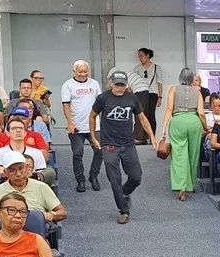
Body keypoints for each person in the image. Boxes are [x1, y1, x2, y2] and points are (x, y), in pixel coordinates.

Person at [88, 70, 157, 223]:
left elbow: (142, 118)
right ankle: (124, 211)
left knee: (136, 177)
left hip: (128, 144)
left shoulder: (132, 98)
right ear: (111, 84)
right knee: (115, 179)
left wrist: (152, 136)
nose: (120, 88)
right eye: (117, 85)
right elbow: (92, 116)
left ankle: (124, 193)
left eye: (122, 85)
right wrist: (93, 137)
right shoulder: (103, 98)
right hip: (109, 144)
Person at [159, 68, 207, 202]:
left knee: (178, 154)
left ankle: (180, 185)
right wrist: (205, 127)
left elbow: (169, 108)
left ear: (180, 77)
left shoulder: (173, 89)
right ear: (192, 79)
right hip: (194, 122)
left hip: (178, 121)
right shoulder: (198, 92)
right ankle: (189, 185)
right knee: (193, 154)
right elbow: (201, 113)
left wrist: (163, 127)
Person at [0, 155, 67, 224]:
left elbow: (62, 212)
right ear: (5, 173)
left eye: (21, 168)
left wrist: (51, 215)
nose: (18, 174)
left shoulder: (41, 187)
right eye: (12, 170)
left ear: (26, 168)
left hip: (36, 232)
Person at [0, 115, 53, 184]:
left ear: (25, 133)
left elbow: (39, 177)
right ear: (8, 133)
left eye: (21, 128)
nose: (18, 130)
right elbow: (0, 176)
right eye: (14, 128)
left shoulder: (37, 153)